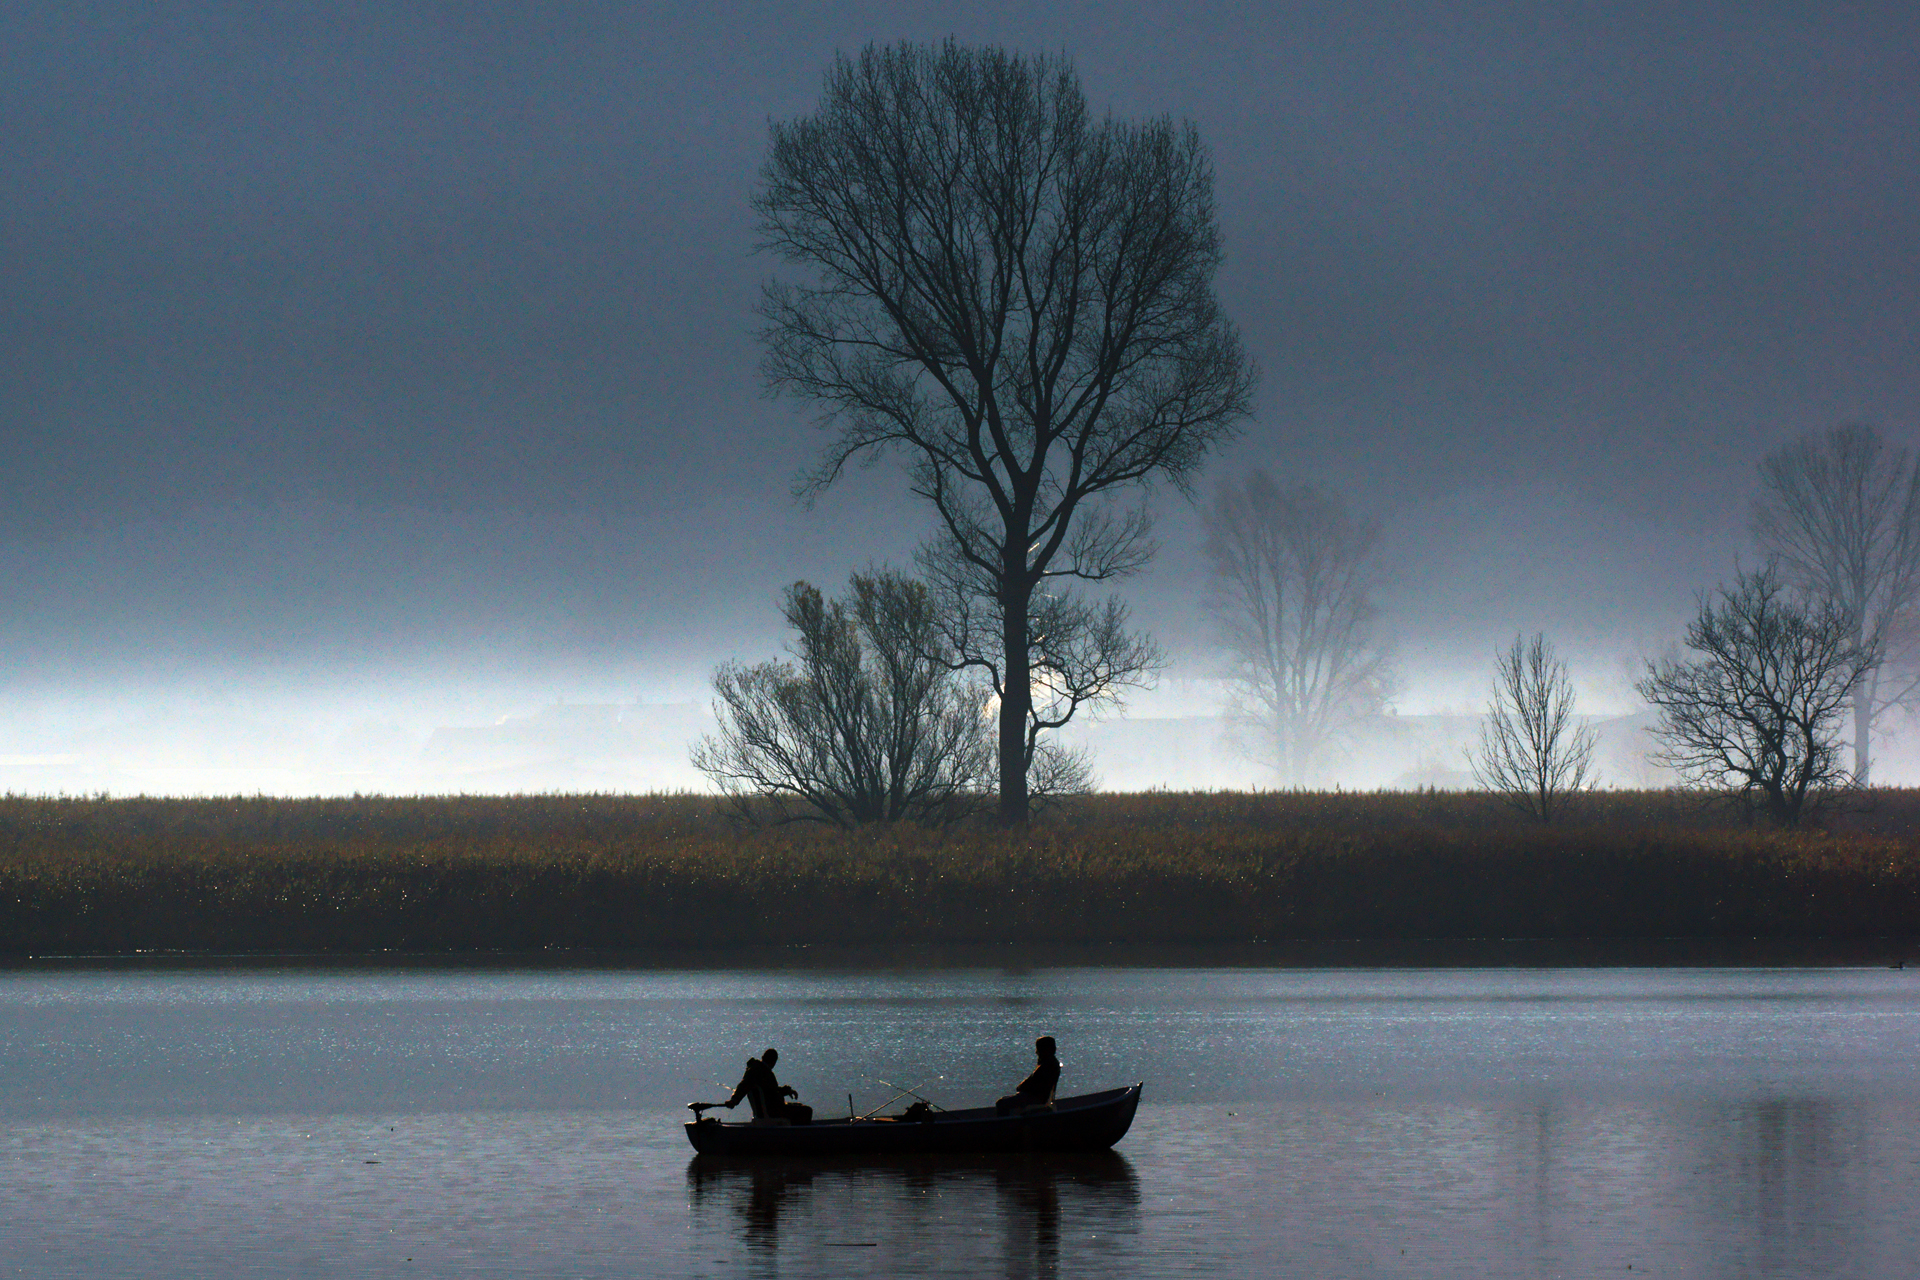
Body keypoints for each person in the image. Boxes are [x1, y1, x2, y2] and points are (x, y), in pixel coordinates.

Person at [726, 1048, 810, 1123]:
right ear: (773, 1061)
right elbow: (744, 1085)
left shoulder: (760, 1070)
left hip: (772, 1109)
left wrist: (786, 1091)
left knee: (798, 1107)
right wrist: (734, 1100)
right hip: (773, 1111)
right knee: (806, 1111)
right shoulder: (759, 1071)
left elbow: (771, 1090)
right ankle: (798, 1134)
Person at [996, 1035, 1061, 1115]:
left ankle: (1005, 1125)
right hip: (1038, 1097)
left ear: (1045, 1049)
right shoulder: (1050, 1063)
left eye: (1038, 1049)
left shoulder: (1047, 1066)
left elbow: (1032, 1084)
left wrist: (1021, 1087)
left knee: (1001, 1103)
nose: (1036, 1052)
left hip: (1036, 1099)